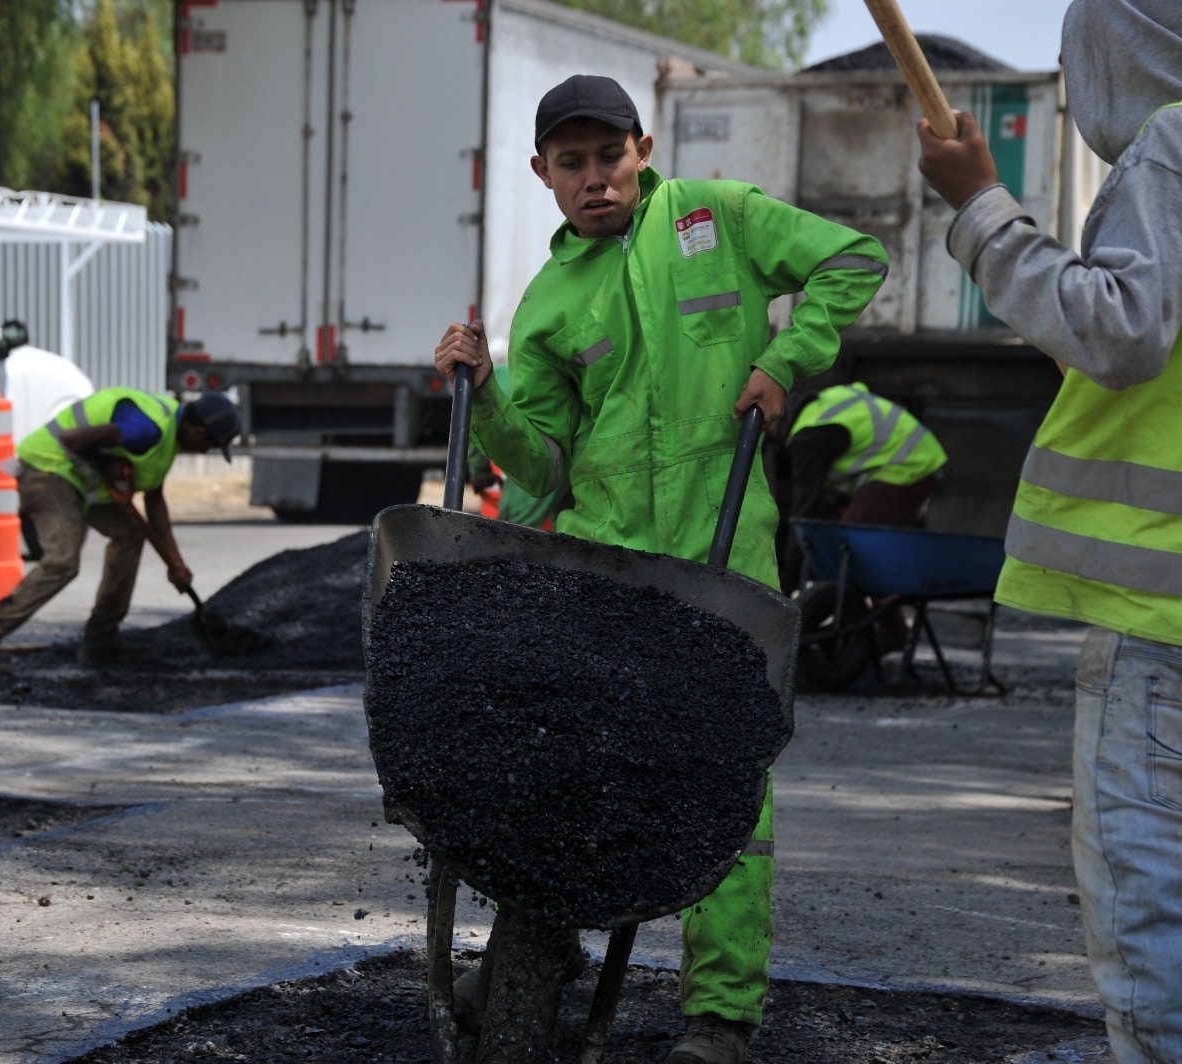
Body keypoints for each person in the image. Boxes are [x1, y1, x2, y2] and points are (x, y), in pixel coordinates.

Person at [434, 74, 887, 1063]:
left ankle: (717, 1015)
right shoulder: (551, 299)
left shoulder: (713, 217)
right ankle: (540, 944)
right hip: (604, 566)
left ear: (641, 148)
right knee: (570, 765)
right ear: (541, 175)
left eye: (609, 156)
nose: (595, 179)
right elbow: (543, 468)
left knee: (723, 786)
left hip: (722, 557)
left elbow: (855, 256)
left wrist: (788, 358)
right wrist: (490, 395)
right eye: (572, 163)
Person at [916, 1, 1182, 1058]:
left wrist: (979, 208)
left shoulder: (1174, 143)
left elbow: (1117, 329)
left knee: (1151, 928)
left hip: (1158, 621)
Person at [0, 389, 240, 673]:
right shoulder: (147, 430)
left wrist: (175, 562)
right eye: (210, 446)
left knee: (129, 534)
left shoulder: (166, 437)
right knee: (62, 562)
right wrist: (110, 465)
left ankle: (101, 641)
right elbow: (71, 440)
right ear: (199, 433)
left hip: (82, 482)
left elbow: (155, 502)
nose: (205, 452)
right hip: (49, 469)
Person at [780, 382, 947, 598]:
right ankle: (882, 621)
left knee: (851, 548)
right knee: (859, 550)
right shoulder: (825, 401)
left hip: (908, 464)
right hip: (916, 454)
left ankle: (864, 616)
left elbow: (803, 514)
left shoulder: (808, 437)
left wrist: (787, 584)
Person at [466, 364, 571, 530]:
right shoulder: (528, 368)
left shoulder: (487, 383)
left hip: (545, 450)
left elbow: (475, 431)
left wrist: (480, 474)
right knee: (571, 524)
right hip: (578, 441)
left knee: (513, 529)